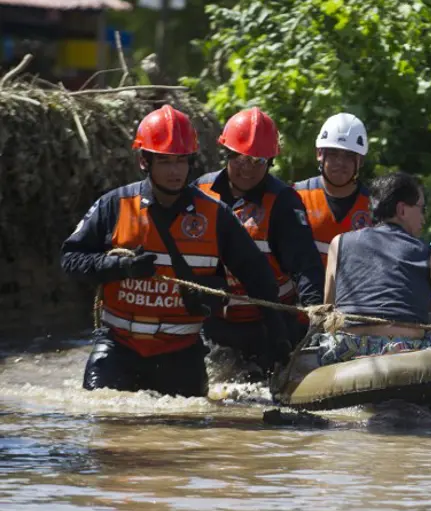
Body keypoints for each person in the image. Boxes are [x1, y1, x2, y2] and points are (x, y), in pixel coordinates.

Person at [61, 105, 292, 397]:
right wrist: (121, 268)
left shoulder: (217, 215)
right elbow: (71, 259)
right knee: (105, 429)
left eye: (182, 162)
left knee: (187, 437)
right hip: (118, 350)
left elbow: (258, 278)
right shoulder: (113, 205)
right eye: (166, 162)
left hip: (181, 356)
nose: (175, 172)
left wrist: (278, 335)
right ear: (145, 161)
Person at [195, 108, 325, 364]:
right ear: (227, 154)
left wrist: (316, 314)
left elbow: (305, 265)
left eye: (258, 162)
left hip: (269, 324)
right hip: (213, 322)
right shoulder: (200, 192)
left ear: (271, 162)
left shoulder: (284, 202)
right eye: (242, 159)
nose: (248, 170)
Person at [319, 172, 431, 364]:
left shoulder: (339, 243)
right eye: (421, 209)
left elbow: (328, 309)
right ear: (402, 210)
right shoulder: (428, 255)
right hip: (402, 350)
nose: (423, 219)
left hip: (344, 348)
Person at [295, 113, 372, 265]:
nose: (340, 162)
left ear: (360, 161)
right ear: (319, 154)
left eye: (349, 156)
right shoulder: (296, 196)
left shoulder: (375, 205)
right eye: (333, 154)